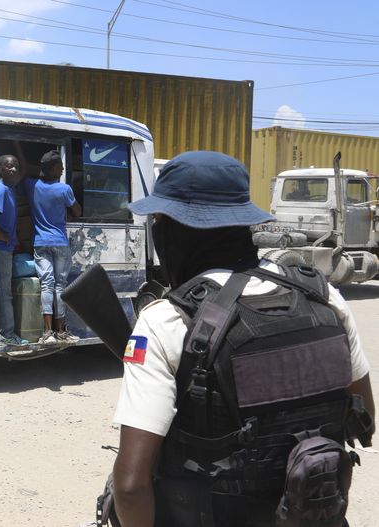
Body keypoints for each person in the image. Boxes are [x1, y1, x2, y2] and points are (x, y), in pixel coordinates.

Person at [111, 151, 375, 527]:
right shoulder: (323, 296)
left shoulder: (167, 320)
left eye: (158, 221)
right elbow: (363, 418)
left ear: (171, 231)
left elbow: (131, 488)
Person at [22, 150, 81, 344]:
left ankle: (47, 333)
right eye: (59, 167)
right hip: (59, 242)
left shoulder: (32, 186)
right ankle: (61, 330)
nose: (63, 169)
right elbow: (77, 211)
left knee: (46, 285)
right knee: (59, 285)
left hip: (40, 242)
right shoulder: (64, 189)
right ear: (53, 169)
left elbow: (24, 170)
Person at [0, 155, 29, 347]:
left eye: (15, 167)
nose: (13, 170)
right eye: (9, 166)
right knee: (5, 294)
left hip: (5, 248)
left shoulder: (9, 186)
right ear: (0, 169)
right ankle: (7, 335)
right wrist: (0, 233)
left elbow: (24, 171)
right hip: (0, 248)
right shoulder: (1, 189)